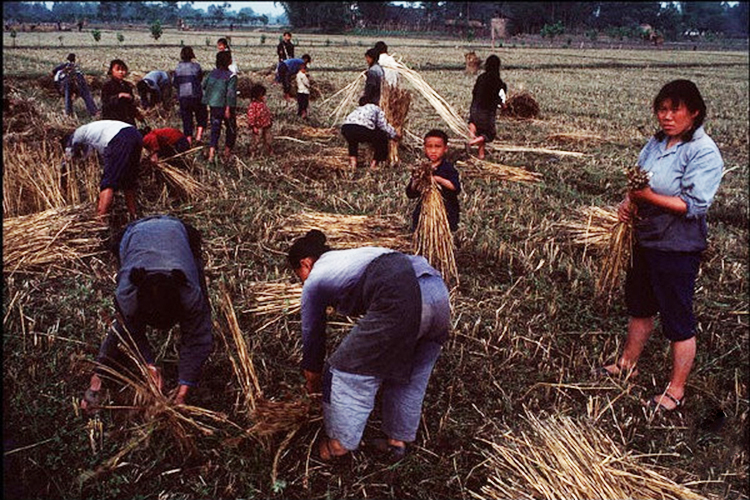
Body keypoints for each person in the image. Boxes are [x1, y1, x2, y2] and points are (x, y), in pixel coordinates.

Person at [597, 79, 724, 412]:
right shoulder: (656, 144)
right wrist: (629, 202)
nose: (666, 117)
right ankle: (627, 364)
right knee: (640, 304)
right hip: (645, 238)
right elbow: (637, 179)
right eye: (662, 109)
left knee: (677, 318)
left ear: (694, 112)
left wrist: (647, 197)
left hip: (677, 247)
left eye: (675, 109)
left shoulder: (703, 151)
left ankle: (676, 389)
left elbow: (694, 205)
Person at [288, 230, 450, 462]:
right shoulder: (352, 257)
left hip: (404, 296)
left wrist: (314, 384)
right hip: (437, 293)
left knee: (345, 371)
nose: (302, 282)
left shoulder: (316, 279)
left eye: (298, 275)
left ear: (306, 263)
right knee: (407, 372)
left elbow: (312, 336)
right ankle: (397, 441)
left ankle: (339, 445)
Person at [80, 215, 212, 412]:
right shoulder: (128, 293)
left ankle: (185, 381)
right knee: (123, 324)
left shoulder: (189, 292)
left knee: (200, 317)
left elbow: (197, 338)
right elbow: (131, 329)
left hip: (178, 233)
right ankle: (98, 376)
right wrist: (148, 364)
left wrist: (182, 392)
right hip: (134, 235)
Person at [61, 120, 143, 218]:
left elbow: (67, 159)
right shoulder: (91, 132)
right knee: (128, 181)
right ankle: (133, 215)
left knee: (108, 182)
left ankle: (100, 219)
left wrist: (62, 177)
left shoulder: (74, 136)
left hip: (119, 138)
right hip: (135, 134)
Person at [406, 129, 461, 232]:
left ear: (445, 149)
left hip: (445, 209)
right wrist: (415, 181)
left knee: (446, 229)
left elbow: (455, 188)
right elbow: (411, 193)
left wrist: (438, 179)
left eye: (437, 147)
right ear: (424, 148)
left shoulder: (448, 168)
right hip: (425, 209)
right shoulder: (421, 169)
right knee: (419, 225)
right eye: (429, 147)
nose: (433, 150)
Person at [341, 97, 400, 169]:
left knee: (352, 142)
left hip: (346, 127)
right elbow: (383, 125)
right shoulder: (375, 108)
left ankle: (353, 164)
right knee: (382, 139)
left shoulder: (358, 109)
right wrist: (394, 134)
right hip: (361, 128)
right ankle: (374, 165)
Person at [467, 55, 507, 160]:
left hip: (474, 108)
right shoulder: (497, 81)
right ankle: (472, 142)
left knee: (475, 125)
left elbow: (474, 92)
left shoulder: (481, 77)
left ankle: (481, 154)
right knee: (489, 134)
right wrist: (503, 105)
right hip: (486, 111)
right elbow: (497, 97)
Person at [202, 50, 237, 163]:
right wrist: (228, 109)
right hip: (226, 106)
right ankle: (227, 153)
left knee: (215, 129)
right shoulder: (231, 76)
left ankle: (211, 154)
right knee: (231, 129)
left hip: (214, 106)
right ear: (228, 61)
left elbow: (204, 85)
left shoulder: (212, 73)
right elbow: (230, 94)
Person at [173, 46, 207, 145]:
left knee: (186, 119)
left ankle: (188, 140)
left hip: (183, 97)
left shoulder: (178, 68)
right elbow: (200, 79)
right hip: (196, 95)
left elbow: (175, 83)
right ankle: (199, 136)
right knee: (201, 115)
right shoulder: (196, 66)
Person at [51, 52, 98, 117]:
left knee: (68, 97)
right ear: (74, 60)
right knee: (86, 95)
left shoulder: (62, 67)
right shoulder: (77, 67)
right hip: (79, 79)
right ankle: (94, 111)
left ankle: (68, 113)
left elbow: (56, 78)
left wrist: (59, 90)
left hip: (67, 80)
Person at [101, 59, 142, 126]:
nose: (121, 72)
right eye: (118, 69)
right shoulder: (107, 85)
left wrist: (136, 113)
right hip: (112, 119)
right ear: (111, 71)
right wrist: (118, 96)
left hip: (127, 119)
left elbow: (131, 104)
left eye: (123, 70)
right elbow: (105, 102)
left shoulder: (127, 86)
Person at [246, 84, 273, 155]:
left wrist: (270, 120)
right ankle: (253, 153)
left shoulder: (262, 104)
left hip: (266, 124)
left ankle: (269, 151)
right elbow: (251, 116)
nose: (263, 97)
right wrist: (253, 126)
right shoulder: (253, 105)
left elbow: (267, 113)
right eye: (262, 95)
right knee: (256, 140)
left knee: (268, 139)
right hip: (258, 126)